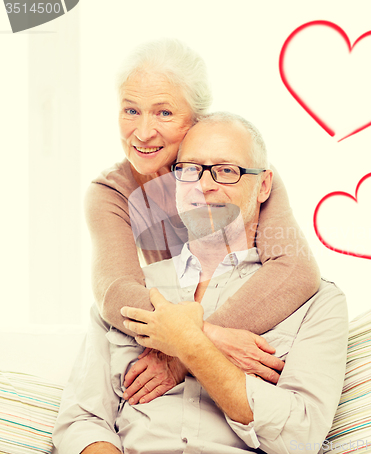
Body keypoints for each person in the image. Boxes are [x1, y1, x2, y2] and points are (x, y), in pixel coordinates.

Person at [53, 112, 348, 454]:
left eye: (226, 171)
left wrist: (188, 345)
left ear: (264, 185)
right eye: (190, 169)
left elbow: (300, 436)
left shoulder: (317, 303)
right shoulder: (128, 296)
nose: (205, 185)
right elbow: (82, 421)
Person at [85, 38, 322, 403]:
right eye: (131, 110)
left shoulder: (243, 174)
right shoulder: (110, 192)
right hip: (180, 325)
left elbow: (296, 269)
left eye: (164, 113)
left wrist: (184, 355)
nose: (144, 132)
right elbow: (116, 292)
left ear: (196, 121)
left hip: (247, 329)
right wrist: (205, 340)